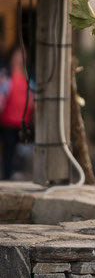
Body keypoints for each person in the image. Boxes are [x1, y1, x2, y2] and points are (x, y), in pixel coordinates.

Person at [0, 48, 34, 180]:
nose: (20, 58)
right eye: (18, 55)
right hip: (8, 122)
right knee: (8, 152)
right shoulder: (6, 76)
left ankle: (21, 175)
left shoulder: (28, 78)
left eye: (23, 56)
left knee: (23, 152)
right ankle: (8, 177)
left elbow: (33, 97)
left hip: (24, 122)